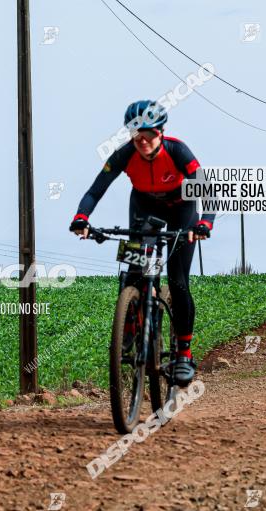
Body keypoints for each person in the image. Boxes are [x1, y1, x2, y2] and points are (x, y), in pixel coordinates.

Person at [69, 100, 214, 385]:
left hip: (181, 208)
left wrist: (204, 223)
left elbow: (205, 190)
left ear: (160, 132)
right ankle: (129, 323)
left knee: (178, 281)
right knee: (134, 268)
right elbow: (95, 190)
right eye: (136, 134)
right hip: (144, 206)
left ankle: (183, 354)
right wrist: (81, 217)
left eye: (148, 134)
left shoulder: (178, 150)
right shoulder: (124, 155)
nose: (142, 140)